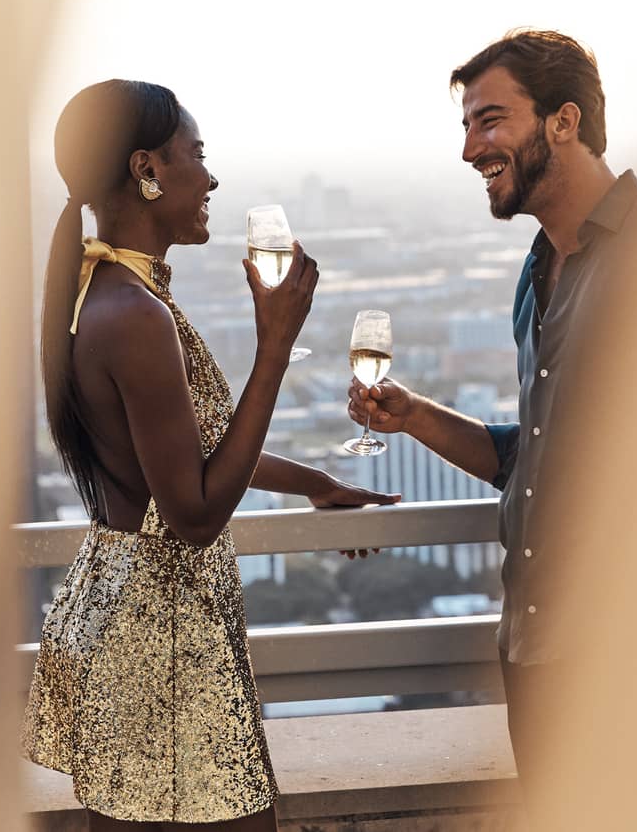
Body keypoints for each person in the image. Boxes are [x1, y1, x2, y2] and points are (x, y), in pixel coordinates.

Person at [24, 79, 397, 831]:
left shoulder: (115, 293)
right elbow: (192, 514)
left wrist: (315, 483)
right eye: (196, 154)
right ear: (146, 169)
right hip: (160, 641)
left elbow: (183, 450)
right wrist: (275, 349)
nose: (212, 177)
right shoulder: (134, 314)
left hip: (136, 622)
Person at [345, 30, 637, 812]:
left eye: (490, 120)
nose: (471, 148)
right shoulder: (536, 273)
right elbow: (531, 460)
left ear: (563, 122)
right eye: (467, 125)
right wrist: (416, 416)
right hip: (533, 652)